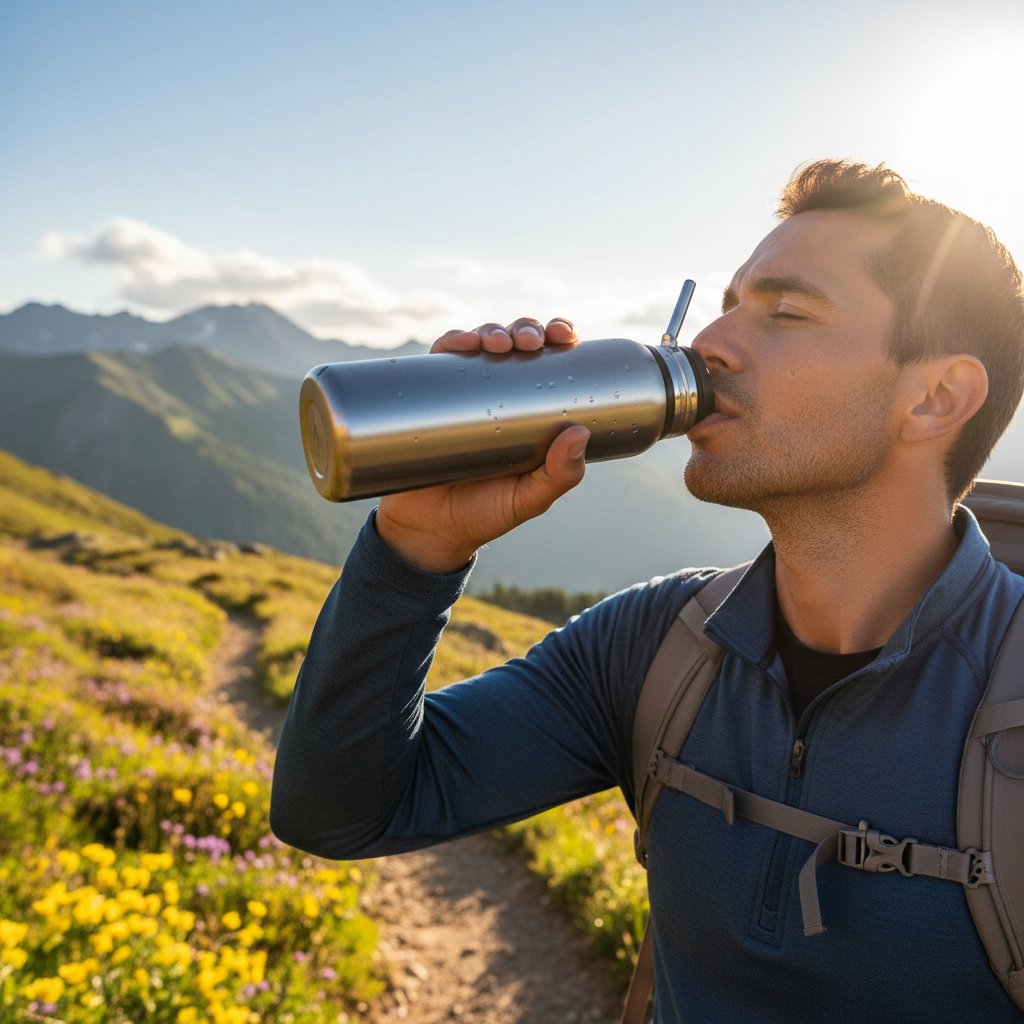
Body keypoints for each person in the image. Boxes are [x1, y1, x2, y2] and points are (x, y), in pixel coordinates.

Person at [271, 160, 1024, 1021]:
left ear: (935, 398)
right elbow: (338, 813)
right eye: (730, 302)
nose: (713, 342)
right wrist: (417, 546)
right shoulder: (657, 647)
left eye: (785, 312)